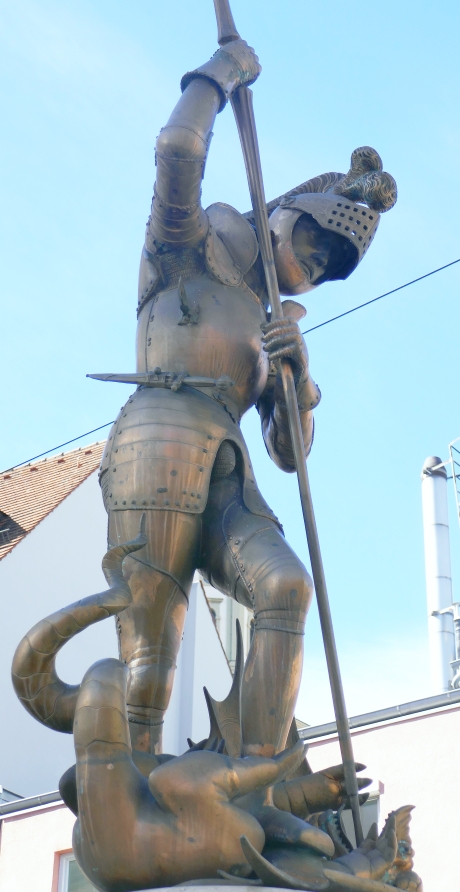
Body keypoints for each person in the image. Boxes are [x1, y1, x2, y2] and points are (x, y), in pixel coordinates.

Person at [98, 38, 397, 759]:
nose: (315, 265)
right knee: (149, 664)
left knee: (286, 587)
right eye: (315, 241)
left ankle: (255, 781)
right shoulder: (187, 246)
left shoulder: (272, 326)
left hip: (227, 468)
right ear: (287, 212)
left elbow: (290, 455)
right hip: (159, 438)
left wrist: (300, 383)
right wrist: (223, 73)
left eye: (327, 267)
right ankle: (127, 792)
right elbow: (177, 147)